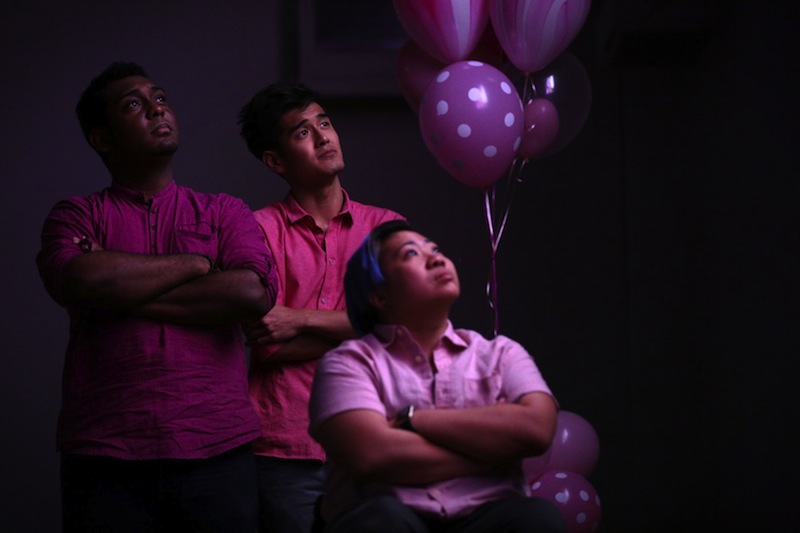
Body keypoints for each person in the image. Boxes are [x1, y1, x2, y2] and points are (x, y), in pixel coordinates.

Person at [36, 61, 278, 532]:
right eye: (134, 104)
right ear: (101, 138)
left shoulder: (222, 210)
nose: (156, 109)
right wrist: (197, 263)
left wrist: (116, 289)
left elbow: (252, 291)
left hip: (218, 448)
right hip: (105, 454)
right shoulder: (75, 215)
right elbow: (76, 278)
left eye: (160, 98)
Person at [308, 220, 567, 532]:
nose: (437, 258)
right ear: (379, 296)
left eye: (436, 249)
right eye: (411, 254)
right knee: (383, 519)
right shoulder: (348, 363)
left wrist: (412, 420)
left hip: (488, 516)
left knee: (538, 517)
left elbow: (538, 429)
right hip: (392, 518)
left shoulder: (501, 354)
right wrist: (494, 450)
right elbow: (373, 455)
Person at [237, 82, 405, 532]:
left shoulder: (386, 226)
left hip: (371, 438)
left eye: (325, 123)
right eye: (302, 133)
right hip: (285, 445)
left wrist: (298, 319)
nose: (324, 137)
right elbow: (267, 343)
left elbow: (401, 328)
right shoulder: (257, 230)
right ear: (275, 161)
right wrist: (362, 329)